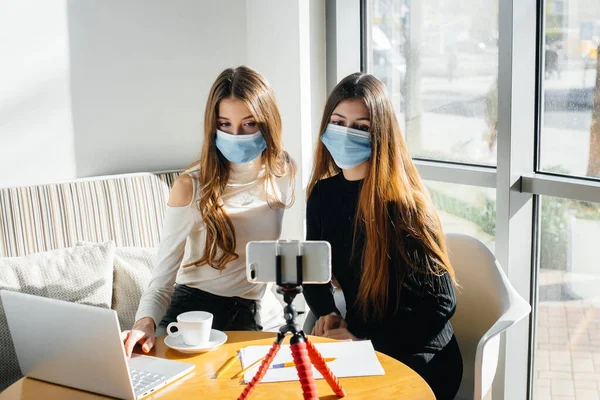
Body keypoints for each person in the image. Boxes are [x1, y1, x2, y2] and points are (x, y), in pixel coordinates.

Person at [303, 72, 462, 400]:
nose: (346, 134)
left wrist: (365, 342)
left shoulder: (404, 205)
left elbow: (442, 303)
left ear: (381, 135)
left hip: (418, 352)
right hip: (360, 343)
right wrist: (328, 313)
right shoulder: (322, 195)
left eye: (361, 127)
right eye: (337, 122)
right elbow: (313, 273)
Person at [122, 66, 296, 357]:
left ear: (268, 123)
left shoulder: (283, 170)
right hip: (193, 315)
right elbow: (163, 275)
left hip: (251, 315)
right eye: (224, 124)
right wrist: (144, 322)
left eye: (249, 124)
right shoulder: (190, 185)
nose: (236, 135)